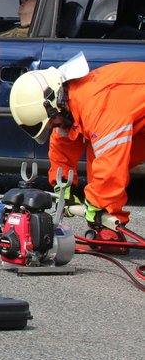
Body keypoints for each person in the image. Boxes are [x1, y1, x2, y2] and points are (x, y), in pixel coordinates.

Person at [9, 56, 145, 248]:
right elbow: (63, 145)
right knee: (98, 161)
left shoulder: (99, 106)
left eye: (51, 122)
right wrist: (62, 185)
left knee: (105, 163)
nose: (53, 127)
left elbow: (110, 166)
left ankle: (104, 218)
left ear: (55, 105)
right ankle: (108, 231)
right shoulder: (69, 103)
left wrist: (96, 205)